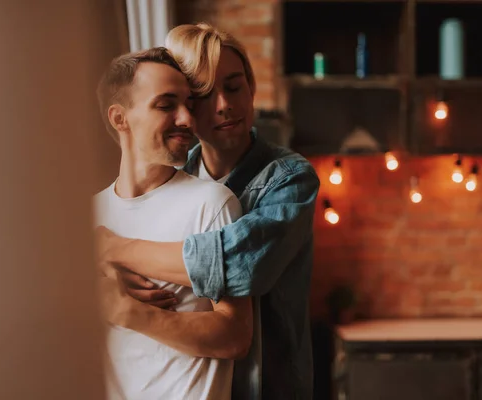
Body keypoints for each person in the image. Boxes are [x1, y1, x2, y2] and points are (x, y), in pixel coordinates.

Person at [97, 23, 320, 399]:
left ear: (251, 88)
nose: (223, 105)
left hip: (266, 387)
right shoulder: (173, 180)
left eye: (234, 86)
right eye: (202, 95)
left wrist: (109, 247)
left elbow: (236, 264)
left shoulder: (289, 179)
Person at [94, 47, 253, 400]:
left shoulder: (211, 204)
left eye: (188, 105)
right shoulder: (89, 216)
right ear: (120, 118)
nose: (187, 119)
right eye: (166, 105)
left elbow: (236, 336)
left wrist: (126, 310)